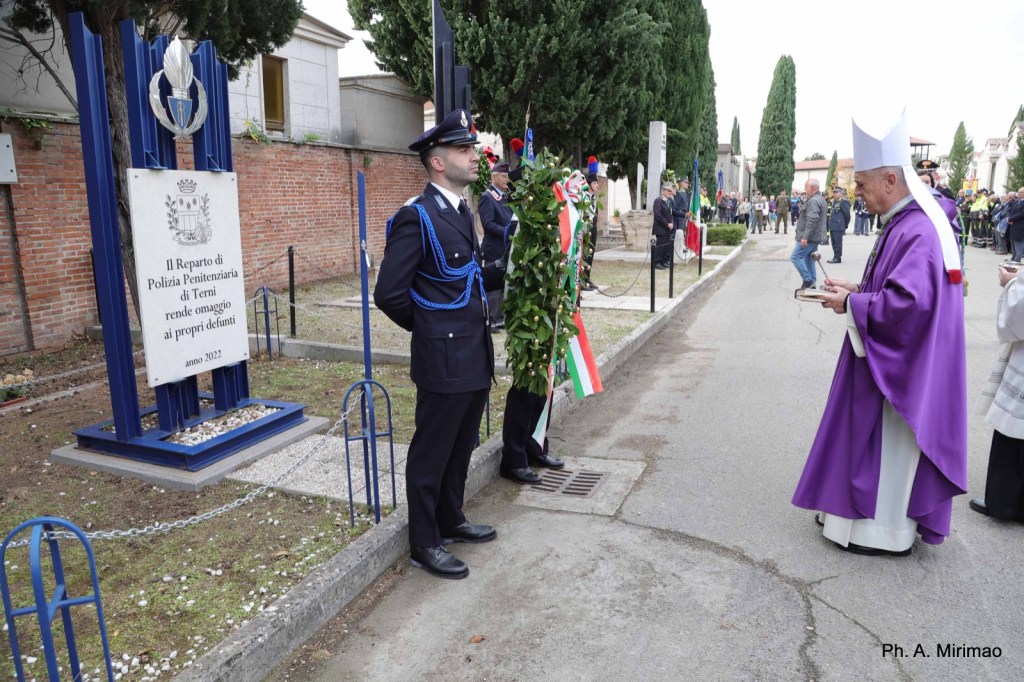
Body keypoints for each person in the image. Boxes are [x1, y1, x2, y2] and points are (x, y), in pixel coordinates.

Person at [794, 111, 967, 556]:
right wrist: (858, 289)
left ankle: (878, 531)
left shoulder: (920, 231)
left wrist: (852, 303)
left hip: (900, 375)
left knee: (883, 446)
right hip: (893, 359)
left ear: (891, 179)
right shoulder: (908, 221)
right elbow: (894, 289)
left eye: (863, 185)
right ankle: (848, 516)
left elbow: (907, 307)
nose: (856, 193)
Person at [373, 109, 496, 580]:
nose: (474, 156)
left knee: (461, 444)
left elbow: (464, 279)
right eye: (465, 150)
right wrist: (429, 330)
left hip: (472, 352)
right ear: (439, 162)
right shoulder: (416, 216)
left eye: (472, 148)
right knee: (431, 451)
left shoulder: (461, 210)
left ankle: (451, 517)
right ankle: (425, 541)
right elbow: (389, 293)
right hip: (443, 355)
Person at [479, 161, 514, 331]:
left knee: (501, 283)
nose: (507, 179)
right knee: (492, 284)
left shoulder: (504, 196)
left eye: (508, 176)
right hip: (493, 247)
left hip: (504, 246)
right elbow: (488, 224)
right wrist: (507, 232)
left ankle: (500, 318)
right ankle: (491, 319)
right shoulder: (487, 197)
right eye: (503, 176)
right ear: (494, 177)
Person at [790, 178, 827, 289]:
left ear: (811, 187)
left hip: (810, 237)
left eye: (806, 187)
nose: (805, 190)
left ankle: (808, 280)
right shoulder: (820, 199)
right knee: (809, 259)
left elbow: (812, 220)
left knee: (795, 257)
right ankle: (812, 282)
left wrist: (805, 237)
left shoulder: (814, 201)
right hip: (815, 236)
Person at [653, 182, 675, 269]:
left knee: (666, 246)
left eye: (671, 191)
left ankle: (664, 261)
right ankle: (657, 262)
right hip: (661, 228)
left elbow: (670, 214)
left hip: (668, 228)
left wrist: (672, 223)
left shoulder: (668, 201)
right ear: (663, 191)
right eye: (668, 191)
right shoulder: (658, 200)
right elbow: (658, 215)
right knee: (660, 246)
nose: (670, 193)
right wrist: (667, 224)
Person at [827, 187, 851, 263]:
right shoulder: (835, 201)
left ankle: (837, 258)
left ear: (841, 193)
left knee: (837, 243)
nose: (835, 194)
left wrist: (845, 225)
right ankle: (835, 256)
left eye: (836, 192)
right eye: (834, 192)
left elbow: (847, 215)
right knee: (834, 242)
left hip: (838, 226)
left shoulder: (844, 202)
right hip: (833, 225)